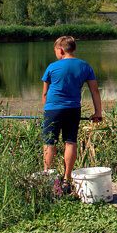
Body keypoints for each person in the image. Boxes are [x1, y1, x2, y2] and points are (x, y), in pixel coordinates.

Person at [41, 35, 103, 192]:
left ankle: (50, 180)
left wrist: (46, 112)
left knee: (49, 143)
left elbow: (44, 94)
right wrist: (98, 112)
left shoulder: (52, 67)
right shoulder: (85, 66)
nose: (55, 53)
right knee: (70, 141)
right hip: (73, 109)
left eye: (55, 50)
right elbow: (94, 91)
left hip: (53, 109)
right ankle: (66, 180)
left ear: (60, 50)